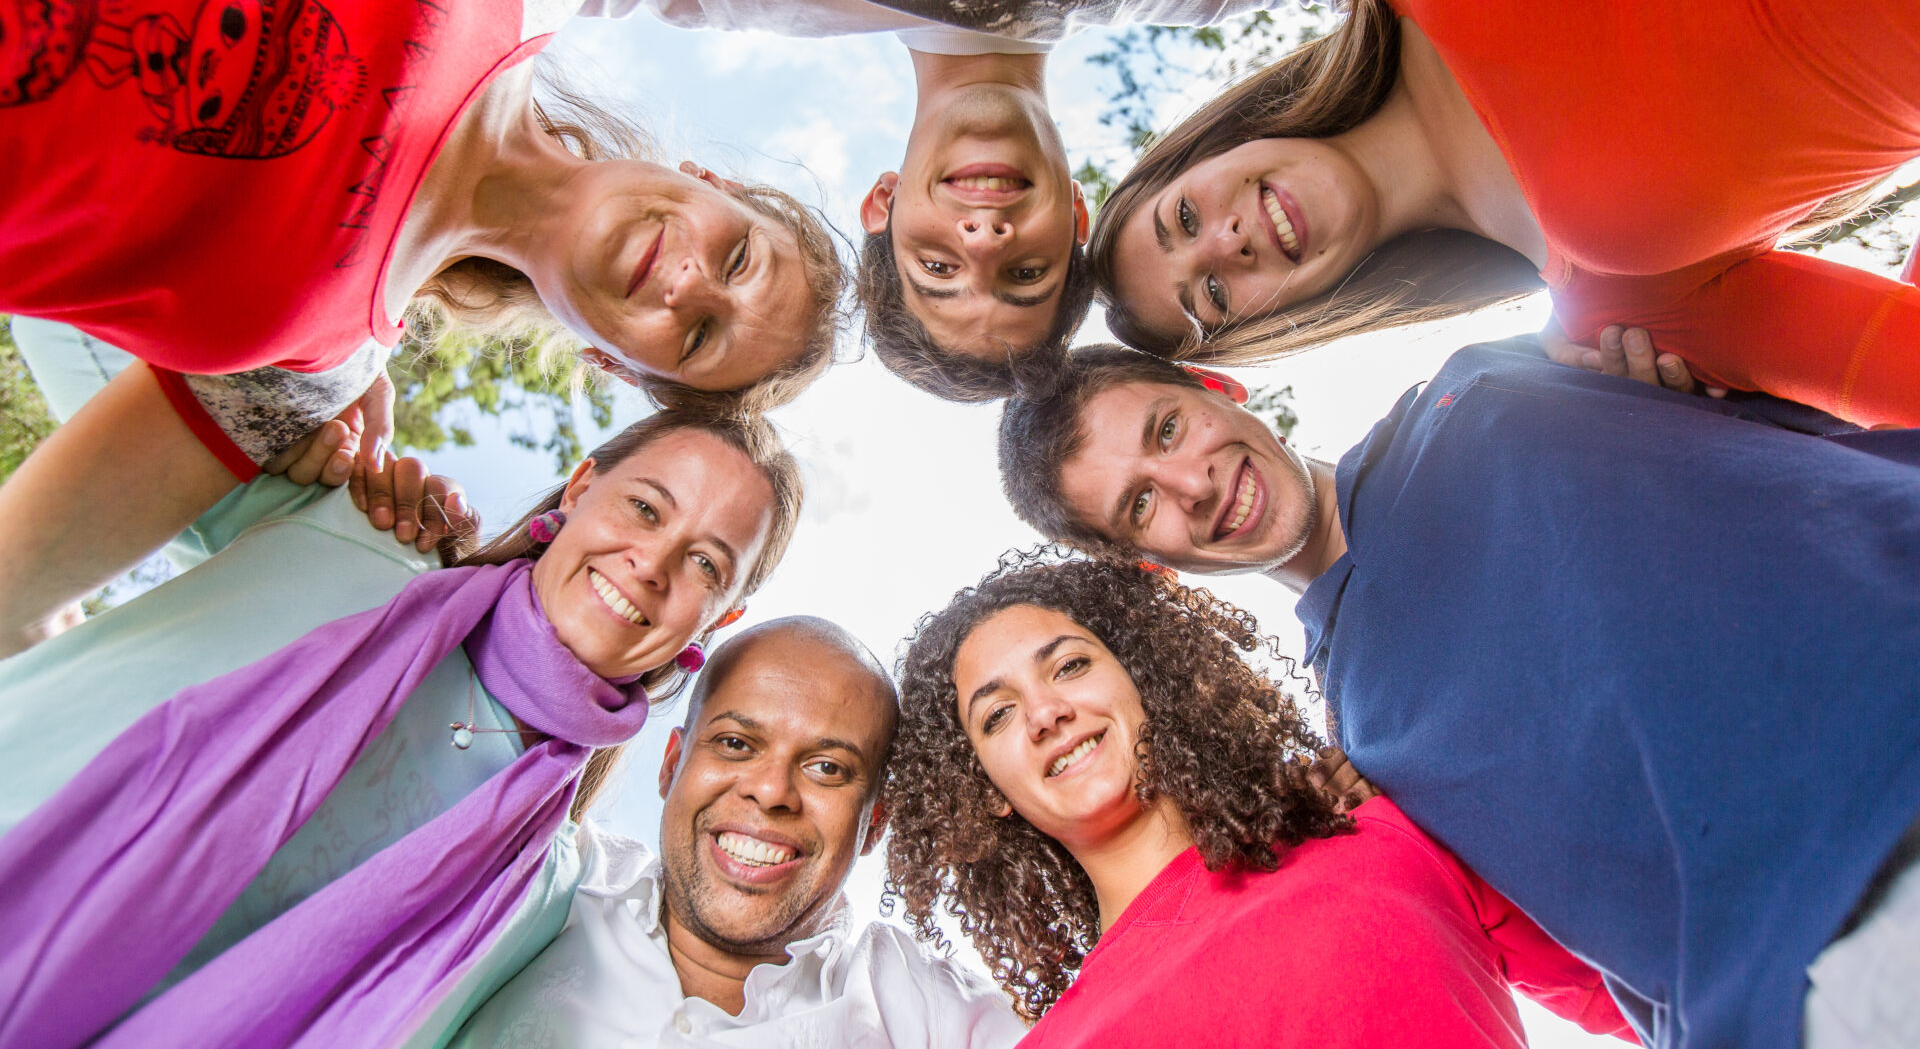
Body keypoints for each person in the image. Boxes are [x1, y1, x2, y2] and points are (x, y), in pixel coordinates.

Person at [0, 0, 846, 634]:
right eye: (740, 257)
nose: (692, 287)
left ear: (616, 365)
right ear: (712, 182)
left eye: (699, 337)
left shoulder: (301, 384)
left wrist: (366, 554)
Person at [997, 340, 1920, 1047]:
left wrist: (1683, 377)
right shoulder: (1362, 750)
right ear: (1147, 562)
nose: (1192, 483)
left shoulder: (1487, 388)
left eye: (1167, 429)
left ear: (1217, 387)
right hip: (1806, 990)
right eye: (1140, 504)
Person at [1091, 0, 1920, 428]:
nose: (1224, 244)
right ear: (1285, 320)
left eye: (1184, 221)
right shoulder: (1624, 317)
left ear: (1207, 150)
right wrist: (1713, 433)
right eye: (1212, 298)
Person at [0, 406, 803, 1049]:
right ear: (579, 487)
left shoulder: (543, 898)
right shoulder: (355, 538)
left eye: (705, 563)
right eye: (643, 505)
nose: (653, 562)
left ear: (719, 616)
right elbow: (89, 334)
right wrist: (319, 392)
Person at [581, 0, 1355, 398]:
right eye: (1026, 273)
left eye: (939, 268)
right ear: (1077, 214)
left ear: (883, 201)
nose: (984, 238)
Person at [885, 555, 1630, 1045]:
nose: (1046, 712)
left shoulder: (1379, 829)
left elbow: (1652, 988)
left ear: (1145, 680)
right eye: (999, 714)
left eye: (1070, 666)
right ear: (983, 794)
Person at [451, 615, 1027, 1048]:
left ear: (873, 824)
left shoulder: (926, 1012)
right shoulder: (538, 885)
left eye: (827, 767)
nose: (772, 790)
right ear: (671, 765)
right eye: (735, 744)